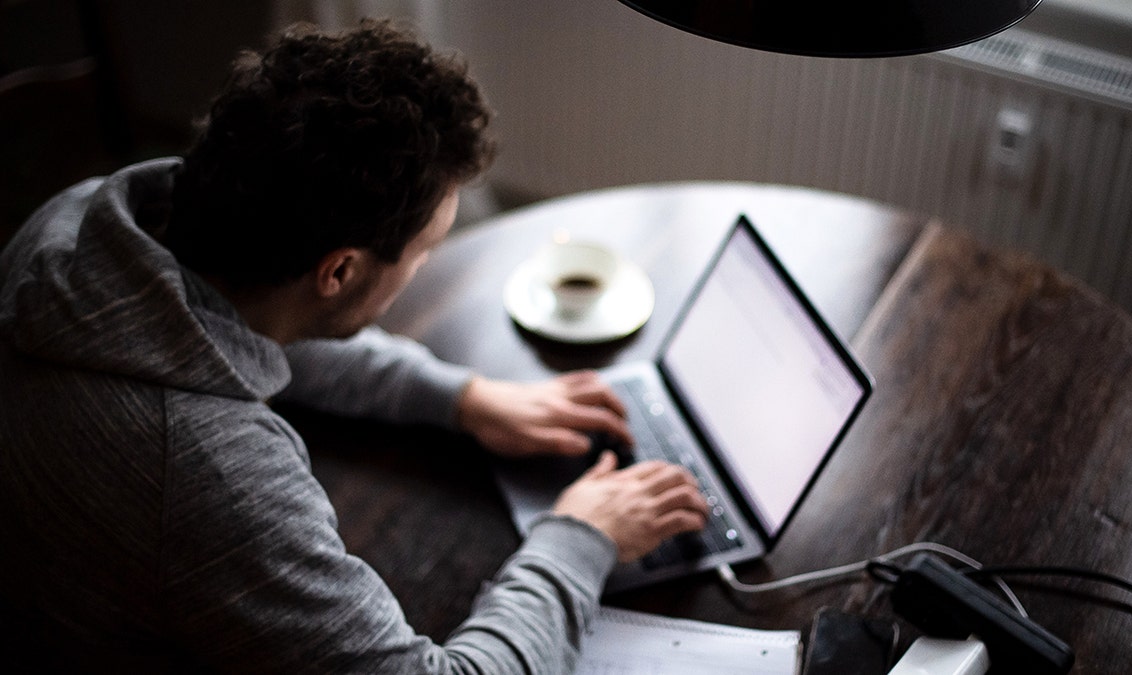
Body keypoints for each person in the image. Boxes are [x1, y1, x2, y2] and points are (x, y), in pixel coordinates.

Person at [0, 19, 708, 673]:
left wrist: (461, 398)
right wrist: (582, 537)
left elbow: (250, 326)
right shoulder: (206, 473)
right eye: (425, 253)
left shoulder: (74, 228)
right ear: (339, 271)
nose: (425, 265)